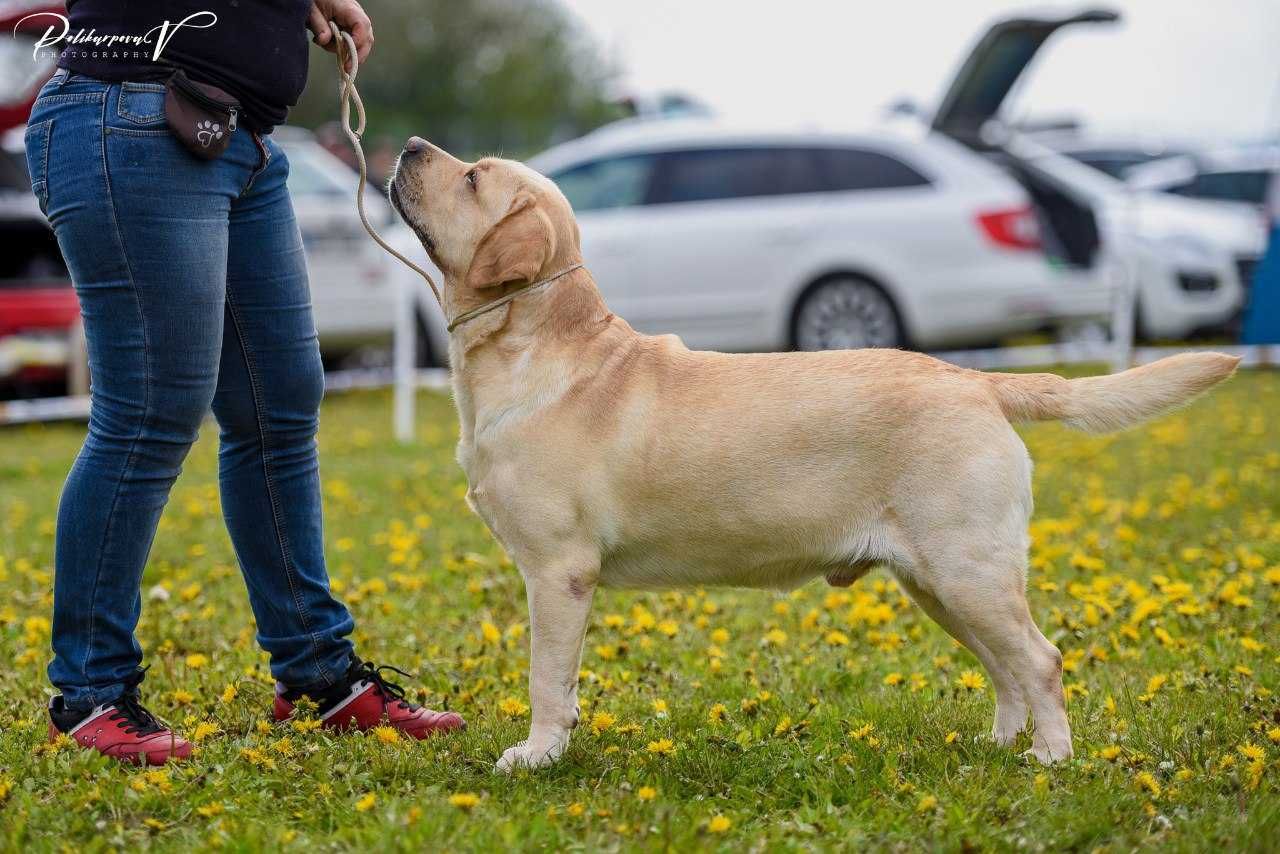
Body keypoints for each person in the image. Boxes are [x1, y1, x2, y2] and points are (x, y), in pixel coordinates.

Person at [26, 1, 464, 766]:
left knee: (280, 405)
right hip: (133, 112)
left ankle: (319, 676)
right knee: (151, 412)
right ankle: (89, 691)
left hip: (236, 134)